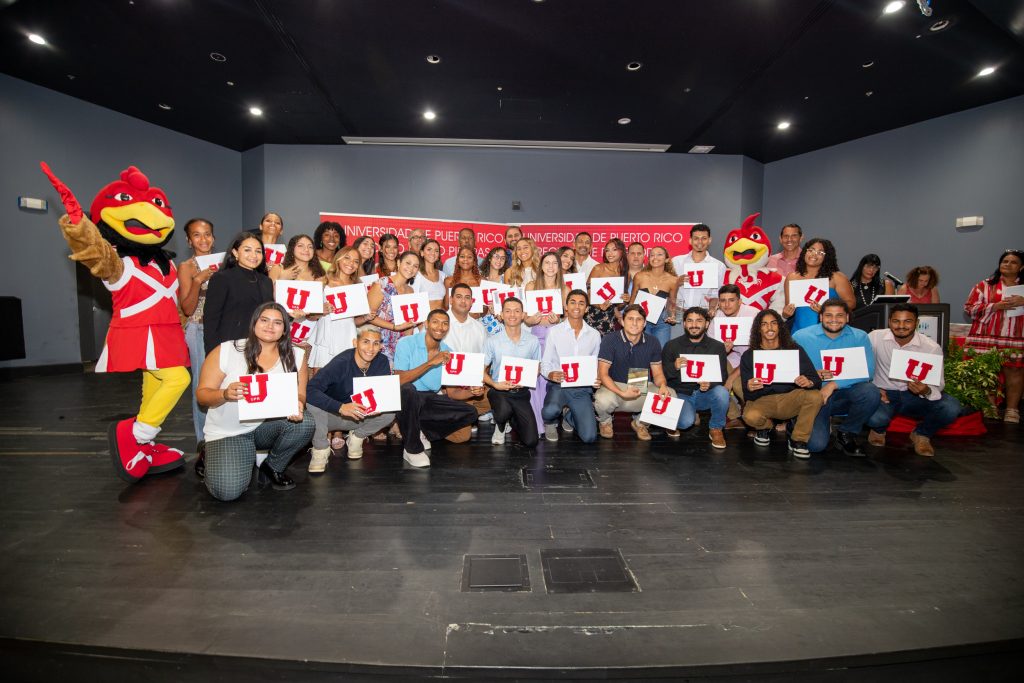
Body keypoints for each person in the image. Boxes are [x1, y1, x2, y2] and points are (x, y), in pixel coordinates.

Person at [196, 303, 314, 501]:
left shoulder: (296, 355)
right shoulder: (227, 350)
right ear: (254, 323)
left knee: (305, 423)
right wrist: (224, 394)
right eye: (264, 320)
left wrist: (298, 404)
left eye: (277, 322)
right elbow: (202, 395)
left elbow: (300, 394)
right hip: (229, 432)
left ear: (285, 329)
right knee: (227, 492)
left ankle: (272, 467)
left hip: (265, 427)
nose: (270, 326)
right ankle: (210, 452)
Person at [867, 304, 965, 453]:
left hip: (914, 397)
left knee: (951, 407)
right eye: (896, 321)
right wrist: (873, 387)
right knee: (873, 416)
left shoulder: (931, 347)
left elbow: (938, 384)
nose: (901, 326)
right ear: (889, 322)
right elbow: (861, 365)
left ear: (917, 323)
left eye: (907, 321)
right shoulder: (874, 338)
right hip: (884, 394)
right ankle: (878, 430)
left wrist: (925, 390)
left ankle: (922, 434)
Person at [793, 299, 880, 455]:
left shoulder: (859, 337)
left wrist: (833, 385)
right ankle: (794, 423)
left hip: (846, 393)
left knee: (870, 391)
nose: (834, 320)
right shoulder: (801, 337)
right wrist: (813, 375)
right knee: (816, 446)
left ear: (847, 317)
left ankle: (846, 432)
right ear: (820, 317)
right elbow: (790, 368)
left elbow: (868, 371)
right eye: (828, 315)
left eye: (839, 315)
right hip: (814, 395)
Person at [393, 310, 480, 467]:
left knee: (471, 412)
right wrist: (430, 362)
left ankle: (421, 429)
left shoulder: (448, 352)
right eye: (435, 322)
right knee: (408, 390)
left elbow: (452, 392)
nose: (440, 327)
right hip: (406, 396)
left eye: (445, 323)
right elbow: (399, 380)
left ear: (448, 328)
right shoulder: (406, 343)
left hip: (429, 399)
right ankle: (411, 449)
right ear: (426, 324)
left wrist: (472, 391)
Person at [305, 325, 396, 471]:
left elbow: (381, 394)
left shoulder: (382, 362)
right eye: (365, 342)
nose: (370, 348)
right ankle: (321, 450)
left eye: (376, 343)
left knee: (390, 411)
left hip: (360, 417)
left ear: (381, 346)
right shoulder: (341, 363)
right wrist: (340, 407)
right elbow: (310, 390)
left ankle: (357, 438)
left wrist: (379, 406)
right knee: (313, 403)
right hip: (331, 417)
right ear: (355, 343)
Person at [740, 309, 822, 458]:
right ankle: (765, 427)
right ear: (758, 329)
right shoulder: (749, 355)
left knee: (815, 396)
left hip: (791, 397)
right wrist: (750, 387)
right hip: (764, 399)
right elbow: (747, 394)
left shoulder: (794, 349)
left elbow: (815, 379)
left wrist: (808, 381)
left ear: (780, 326)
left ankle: (798, 440)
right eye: (764, 324)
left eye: (773, 323)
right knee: (750, 416)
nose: (769, 328)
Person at [594, 304, 674, 441]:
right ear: (623, 321)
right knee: (602, 400)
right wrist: (621, 392)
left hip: (640, 385)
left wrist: (662, 386)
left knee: (670, 395)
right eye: (630, 319)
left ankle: (641, 423)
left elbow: (658, 374)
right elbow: (603, 374)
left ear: (644, 323)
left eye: (639, 319)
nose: (635, 323)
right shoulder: (610, 339)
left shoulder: (653, 341)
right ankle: (605, 422)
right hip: (615, 387)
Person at [964, 250, 1024, 423]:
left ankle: (1012, 409)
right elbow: (969, 308)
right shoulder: (984, 285)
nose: (1008, 264)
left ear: (1021, 267)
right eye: (1005, 261)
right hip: (986, 335)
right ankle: (989, 406)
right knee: (986, 372)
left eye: (1013, 262)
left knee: (1015, 370)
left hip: (1014, 335)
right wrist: (994, 306)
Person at [177, 218, 217, 471]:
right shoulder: (187, 266)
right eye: (197, 235)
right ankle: (204, 446)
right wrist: (198, 280)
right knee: (202, 388)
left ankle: (224, 439)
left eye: (208, 235)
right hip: (199, 328)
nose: (203, 240)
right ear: (189, 240)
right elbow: (188, 307)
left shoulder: (224, 263)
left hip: (222, 330)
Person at [662, 307, 730, 448]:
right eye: (690, 321)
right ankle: (672, 421)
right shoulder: (671, 346)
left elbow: (722, 376)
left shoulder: (717, 347)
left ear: (706, 324)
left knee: (722, 392)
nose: (694, 325)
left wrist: (710, 384)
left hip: (704, 394)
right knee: (686, 422)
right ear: (684, 324)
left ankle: (716, 428)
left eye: (699, 321)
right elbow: (662, 375)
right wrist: (674, 366)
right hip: (681, 393)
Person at [541, 289, 601, 443]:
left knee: (589, 438)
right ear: (566, 307)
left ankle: (569, 416)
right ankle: (550, 422)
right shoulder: (554, 332)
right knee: (549, 410)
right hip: (558, 385)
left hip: (581, 388)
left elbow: (596, 364)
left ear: (587, 308)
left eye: (581, 303)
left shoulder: (594, 334)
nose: (577, 306)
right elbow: (545, 363)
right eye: (572, 302)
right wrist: (551, 374)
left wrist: (597, 378)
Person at [484, 297, 542, 449]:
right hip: (499, 391)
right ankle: (501, 425)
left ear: (523, 315)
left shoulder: (532, 340)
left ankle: (513, 418)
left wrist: (529, 377)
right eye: (508, 311)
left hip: (521, 393)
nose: (512, 315)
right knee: (503, 410)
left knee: (531, 441)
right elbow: (480, 370)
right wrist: (494, 384)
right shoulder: (492, 341)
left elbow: (538, 367)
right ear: (501, 315)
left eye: (517, 311)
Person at [203, 232, 273, 355]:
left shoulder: (266, 281)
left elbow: (269, 313)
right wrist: (212, 353)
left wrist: (291, 315)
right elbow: (211, 320)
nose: (254, 255)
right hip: (229, 347)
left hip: (259, 347)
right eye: (247, 250)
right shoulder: (222, 278)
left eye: (258, 251)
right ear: (235, 252)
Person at [523, 251, 566, 437]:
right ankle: (537, 423)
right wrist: (532, 319)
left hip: (556, 338)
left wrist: (559, 320)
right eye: (546, 262)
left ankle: (550, 420)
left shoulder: (565, 289)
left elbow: (569, 318)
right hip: (537, 335)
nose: (550, 266)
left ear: (559, 266)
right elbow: (525, 316)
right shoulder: (532, 286)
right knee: (536, 379)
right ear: (541, 266)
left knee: (552, 379)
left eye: (554, 263)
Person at [783, 238, 855, 333]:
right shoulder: (792, 278)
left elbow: (851, 303)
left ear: (827, 257)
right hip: (799, 333)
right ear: (805, 252)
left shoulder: (837, 278)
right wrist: (785, 314)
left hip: (830, 331)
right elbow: (788, 309)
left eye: (820, 252)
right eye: (811, 250)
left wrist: (827, 310)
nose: (814, 254)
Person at [714, 284, 760, 428]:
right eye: (723, 301)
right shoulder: (718, 316)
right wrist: (723, 351)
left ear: (740, 301)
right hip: (731, 359)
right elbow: (712, 349)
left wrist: (731, 377)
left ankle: (755, 419)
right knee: (715, 373)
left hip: (753, 360)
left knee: (739, 386)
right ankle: (734, 416)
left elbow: (757, 353)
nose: (726, 305)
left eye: (731, 300)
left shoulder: (754, 314)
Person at [445, 283, 491, 422]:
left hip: (473, 383)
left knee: (499, 398)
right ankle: (464, 415)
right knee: (461, 437)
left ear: (472, 302)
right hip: (448, 386)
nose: (463, 301)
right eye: (459, 297)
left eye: (467, 297)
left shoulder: (479, 327)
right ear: (451, 299)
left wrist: (481, 381)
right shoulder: (439, 323)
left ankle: (468, 414)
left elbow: (486, 359)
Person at [366, 250, 421, 364]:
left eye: (415, 266)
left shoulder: (411, 291)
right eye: (408, 263)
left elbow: (409, 325)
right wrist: (394, 327)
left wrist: (408, 346)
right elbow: (368, 316)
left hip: (399, 346)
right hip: (378, 344)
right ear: (398, 263)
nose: (411, 268)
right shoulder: (381, 284)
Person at [628, 245, 679, 347]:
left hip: (662, 323)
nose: (655, 257)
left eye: (659, 254)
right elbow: (632, 301)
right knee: (641, 351)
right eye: (652, 255)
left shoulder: (673, 280)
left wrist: (672, 316)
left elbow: (671, 304)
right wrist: (630, 319)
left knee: (660, 352)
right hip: (640, 320)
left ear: (666, 259)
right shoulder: (639, 276)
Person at [672, 224, 725, 316]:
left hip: (703, 315)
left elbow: (716, 295)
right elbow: (666, 288)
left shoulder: (719, 266)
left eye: (704, 238)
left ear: (709, 240)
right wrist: (677, 282)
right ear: (690, 240)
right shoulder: (676, 262)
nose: (700, 242)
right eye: (696, 238)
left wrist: (712, 309)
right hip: (678, 313)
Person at [584, 238, 628, 335]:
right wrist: (599, 305)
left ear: (622, 251)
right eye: (607, 250)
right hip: (593, 315)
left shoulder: (625, 273)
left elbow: (617, 305)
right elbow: (587, 292)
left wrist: (624, 300)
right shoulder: (598, 268)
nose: (610, 253)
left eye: (614, 249)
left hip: (610, 319)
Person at [412, 238, 446, 311]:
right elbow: (412, 302)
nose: (433, 253)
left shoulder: (443, 275)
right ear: (422, 253)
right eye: (429, 249)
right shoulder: (416, 275)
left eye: (436, 251)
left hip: (442, 319)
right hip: (424, 320)